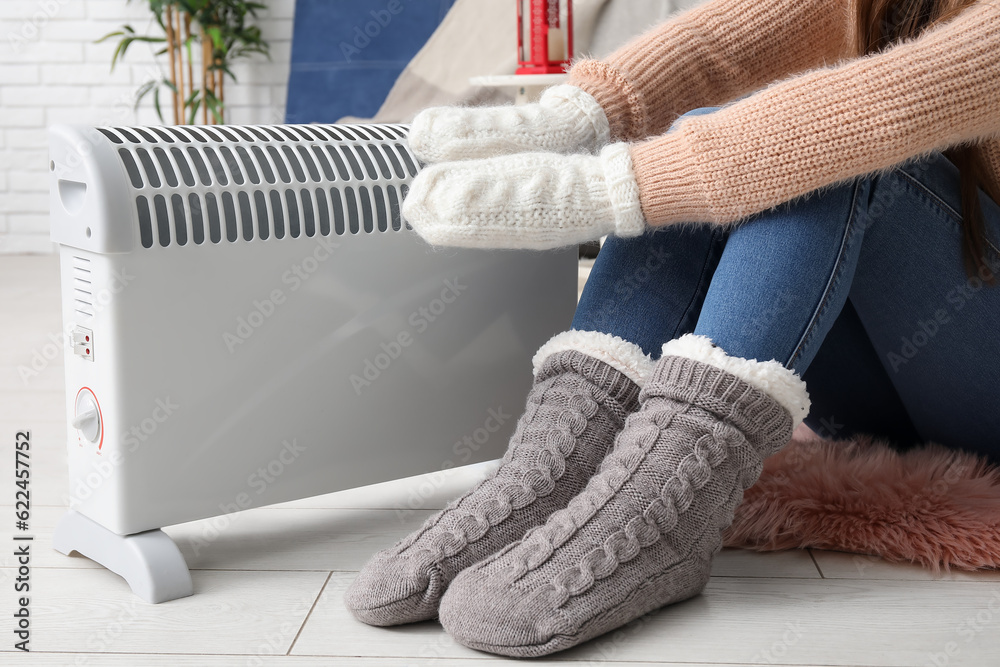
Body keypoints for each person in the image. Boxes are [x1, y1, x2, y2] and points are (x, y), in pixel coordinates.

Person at [345, 0, 1000, 657]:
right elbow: (734, 39)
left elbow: (891, 104)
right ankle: (550, 470)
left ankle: (663, 514)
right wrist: (572, 113)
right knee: (733, 134)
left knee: (834, 147)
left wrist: (606, 188)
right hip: (916, 373)